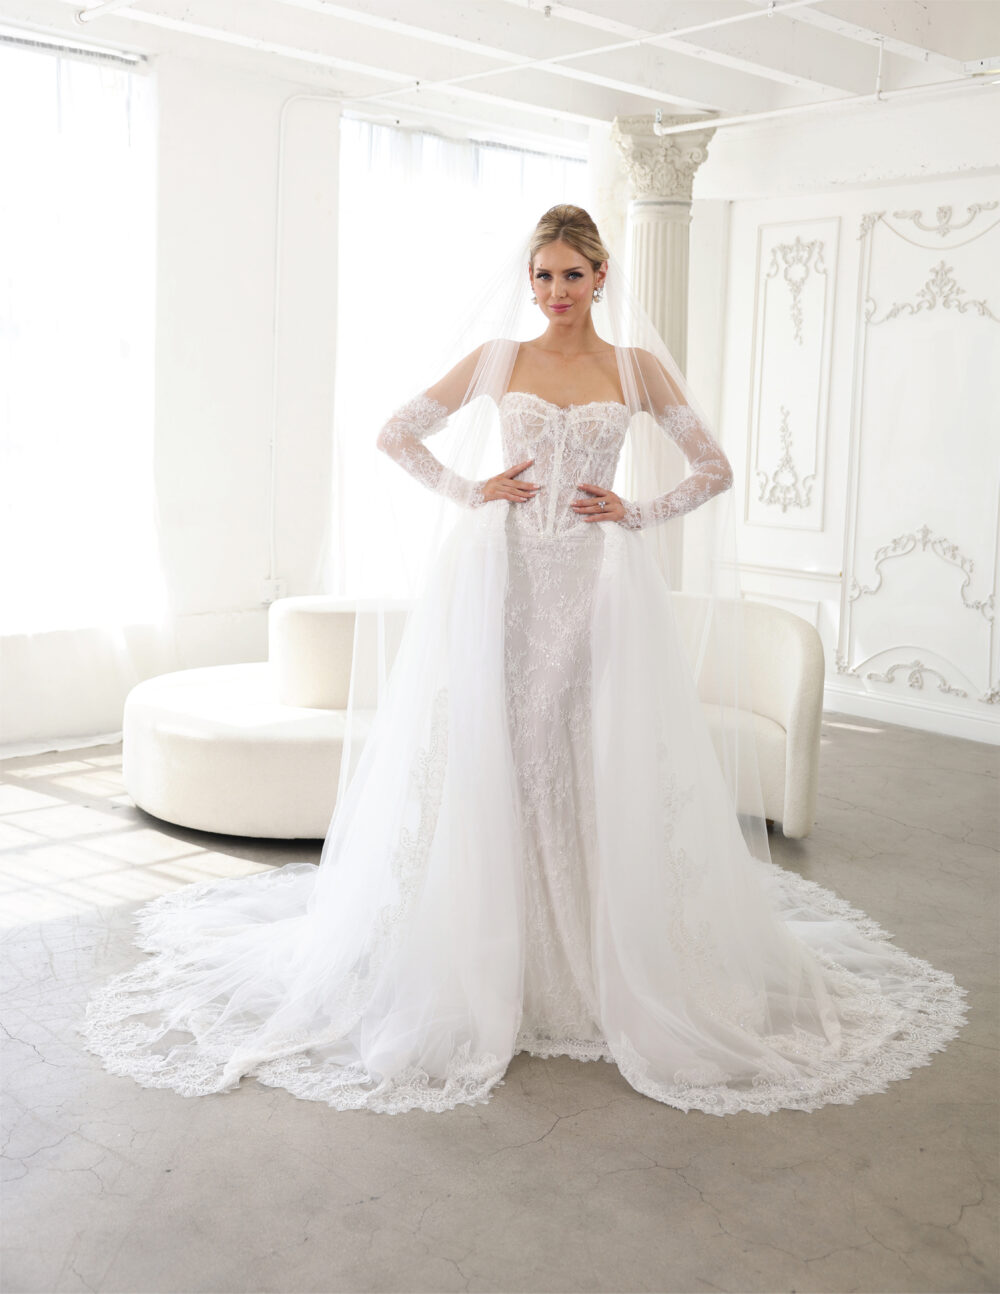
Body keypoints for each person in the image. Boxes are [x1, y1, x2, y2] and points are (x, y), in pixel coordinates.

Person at [79, 205, 968, 1115]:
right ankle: (484, 951)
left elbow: (714, 468)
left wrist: (636, 513)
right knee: (500, 744)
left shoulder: (635, 369)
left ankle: (595, 954)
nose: (555, 293)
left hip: (597, 581)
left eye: (571, 276)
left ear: (602, 277)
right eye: (542, 276)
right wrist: (473, 490)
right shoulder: (503, 358)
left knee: (585, 743)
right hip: (502, 578)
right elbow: (397, 432)